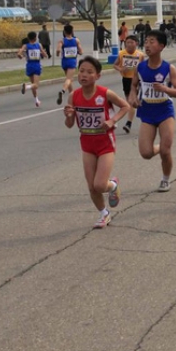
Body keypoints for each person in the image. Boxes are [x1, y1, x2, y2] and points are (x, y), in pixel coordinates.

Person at [63, 56, 129, 229]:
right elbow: (69, 125)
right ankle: (104, 213)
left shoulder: (104, 93)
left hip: (105, 143)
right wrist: (69, 116)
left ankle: (113, 185)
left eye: (89, 72)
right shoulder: (74, 96)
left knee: (100, 185)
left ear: (97, 76)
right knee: (92, 186)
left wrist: (112, 121)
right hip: (87, 144)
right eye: (82, 71)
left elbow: (125, 107)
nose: (84, 75)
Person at [130, 29, 176, 192]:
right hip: (147, 112)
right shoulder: (140, 68)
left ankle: (165, 179)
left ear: (161, 46)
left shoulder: (169, 68)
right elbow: (133, 85)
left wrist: (165, 89)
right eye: (146, 41)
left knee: (166, 151)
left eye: (151, 41)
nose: (147, 45)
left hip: (164, 111)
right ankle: (162, 145)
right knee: (146, 153)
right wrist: (133, 97)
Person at [113, 34, 146, 133]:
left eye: (132, 42)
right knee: (130, 102)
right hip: (126, 80)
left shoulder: (140, 55)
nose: (129, 44)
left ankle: (129, 123)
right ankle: (141, 113)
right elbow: (115, 65)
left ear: (136, 43)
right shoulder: (121, 54)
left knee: (131, 102)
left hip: (137, 80)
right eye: (127, 42)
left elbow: (144, 67)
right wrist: (121, 69)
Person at [56, 23, 84, 105]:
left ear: (64, 31)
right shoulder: (76, 40)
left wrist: (58, 53)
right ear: (72, 31)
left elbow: (58, 50)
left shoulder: (62, 40)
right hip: (72, 61)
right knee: (69, 79)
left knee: (69, 79)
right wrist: (78, 52)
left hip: (64, 61)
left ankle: (73, 97)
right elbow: (81, 52)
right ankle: (63, 90)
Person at [17, 31, 46, 107]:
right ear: (35, 38)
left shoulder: (25, 46)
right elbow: (44, 54)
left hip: (29, 66)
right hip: (36, 65)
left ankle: (36, 100)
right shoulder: (38, 45)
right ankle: (26, 87)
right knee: (35, 85)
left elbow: (19, 53)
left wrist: (20, 56)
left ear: (28, 38)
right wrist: (44, 53)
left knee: (33, 84)